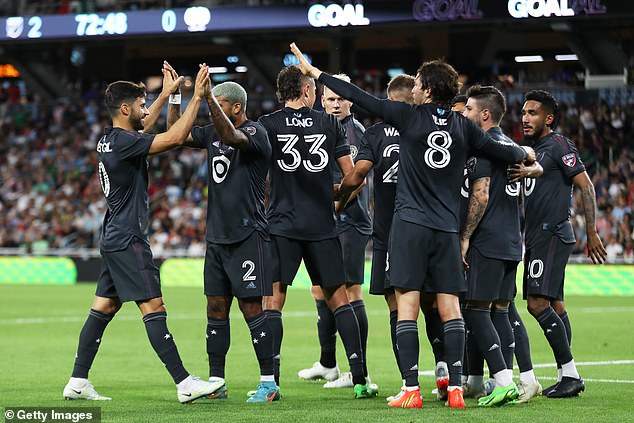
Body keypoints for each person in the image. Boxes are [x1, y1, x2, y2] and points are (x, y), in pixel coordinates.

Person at [290, 43, 534, 409]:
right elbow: (509, 152)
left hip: (410, 226)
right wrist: (529, 160)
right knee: (450, 306)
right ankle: (454, 389)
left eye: (418, 83)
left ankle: (410, 389)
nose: (414, 87)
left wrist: (315, 74)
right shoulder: (465, 129)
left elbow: (361, 97)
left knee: (406, 304)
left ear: (429, 90)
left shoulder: (407, 117)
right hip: (448, 230)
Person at [63, 63, 225, 403]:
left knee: (103, 309)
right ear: (125, 108)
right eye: (140, 104)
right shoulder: (124, 141)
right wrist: (196, 96)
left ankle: (77, 381)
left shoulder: (110, 139)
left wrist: (167, 94)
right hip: (128, 238)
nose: (145, 109)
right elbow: (176, 137)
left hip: (113, 235)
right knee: (154, 306)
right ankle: (184, 383)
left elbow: (144, 129)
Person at [258, 65, 376, 399]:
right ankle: (361, 379)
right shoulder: (329, 124)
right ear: (308, 90)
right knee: (339, 298)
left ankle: (269, 383)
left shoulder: (268, 125)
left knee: (273, 300)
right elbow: (353, 177)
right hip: (323, 225)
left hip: (282, 225)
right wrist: (334, 200)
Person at [167, 70, 278, 402]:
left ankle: (269, 382)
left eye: (221, 103)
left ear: (236, 108)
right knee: (215, 308)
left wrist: (208, 96)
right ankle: (217, 382)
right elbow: (176, 133)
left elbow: (232, 138)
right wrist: (176, 95)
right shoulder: (210, 133)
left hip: (248, 235)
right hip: (216, 238)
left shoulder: (256, 132)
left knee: (251, 308)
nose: (213, 108)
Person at [518, 89, 606, 398]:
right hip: (539, 236)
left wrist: (592, 232)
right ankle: (566, 374)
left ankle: (571, 373)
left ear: (548, 118)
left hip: (551, 233)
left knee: (536, 304)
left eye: (532, 113)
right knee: (555, 305)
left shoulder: (558, 145)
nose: (525, 118)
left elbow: (586, 186)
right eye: (524, 113)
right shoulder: (533, 149)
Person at [460, 85, 542, 406]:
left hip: (488, 240)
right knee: (501, 312)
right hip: (510, 239)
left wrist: (465, 237)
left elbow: (480, 195)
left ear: (484, 114)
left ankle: (504, 380)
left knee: (476, 310)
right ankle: (513, 380)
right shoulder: (509, 143)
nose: (463, 114)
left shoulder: (485, 146)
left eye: (468, 109)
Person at [336, 74, 415, 402]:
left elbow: (356, 175)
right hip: (428, 227)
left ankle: (408, 384)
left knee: (397, 306)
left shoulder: (375, 133)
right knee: (442, 303)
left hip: (386, 230)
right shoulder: (428, 129)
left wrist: (336, 199)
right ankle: (451, 377)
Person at [298, 74, 373, 390]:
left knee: (350, 293)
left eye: (341, 98)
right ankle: (328, 363)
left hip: (349, 221)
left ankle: (361, 372)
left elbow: (355, 180)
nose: (336, 103)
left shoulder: (353, 133)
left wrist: (333, 210)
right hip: (328, 222)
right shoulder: (321, 129)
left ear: (351, 100)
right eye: (330, 98)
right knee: (320, 291)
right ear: (322, 100)